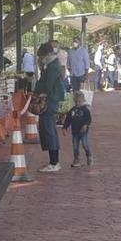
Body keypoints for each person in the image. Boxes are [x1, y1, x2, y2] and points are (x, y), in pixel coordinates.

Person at [35, 44, 69, 172]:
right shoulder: (51, 66)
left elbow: (47, 85)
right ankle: (53, 161)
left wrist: (41, 93)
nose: (41, 59)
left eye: (42, 56)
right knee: (49, 129)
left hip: (49, 102)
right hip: (50, 101)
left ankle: (54, 162)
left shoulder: (53, 67)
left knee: (49, 130)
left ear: (48, 54)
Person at [65, 90, 94, 168]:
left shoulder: (85, 110)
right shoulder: (72, 110)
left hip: (83, 132)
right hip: (75, 132)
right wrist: (65, 127)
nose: (78, 103)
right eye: (76, 101)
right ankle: (76, 159)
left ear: (83, 101)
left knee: (85, 144)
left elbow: (89, 119)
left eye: (80, 101)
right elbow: (68, 119)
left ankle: (89, 155)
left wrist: (86, 125)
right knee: (75, 146)